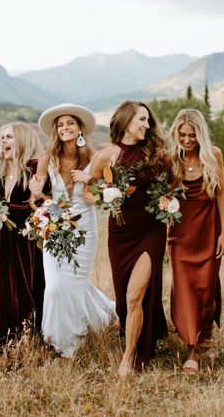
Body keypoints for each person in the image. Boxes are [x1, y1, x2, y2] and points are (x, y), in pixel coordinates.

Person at [88, 100, 169, 377]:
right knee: (124, 300)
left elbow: (174, 183)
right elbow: (87, 188)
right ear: (125, 122)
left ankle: (129, 358)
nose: (147, 125)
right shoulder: (107, 155)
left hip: (151, 231)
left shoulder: (156, 153)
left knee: (135, 296)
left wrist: (168, 201)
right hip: (120, 233)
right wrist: (106, 199)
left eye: (148, 120)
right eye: (141, 120)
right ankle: (142, 334)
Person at [30, 104, 116, 357]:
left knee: (76, 283)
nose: (65, 128)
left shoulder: (95, 158)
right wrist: (38, 196)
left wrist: (89, 181)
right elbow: (37, 197)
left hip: (85, 227)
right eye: (60, 125)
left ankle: (75, 339)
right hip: (55, 224)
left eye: (70, 123)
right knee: (56, 285)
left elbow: (108, 196)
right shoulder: (47, 158)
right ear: (56, 131)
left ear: (79, 128)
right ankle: (60, 339)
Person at [167, 109, 224, 374]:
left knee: (204, 286)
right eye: (182, 134)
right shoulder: (170, 159)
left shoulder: (213, 155)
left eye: (192, 135)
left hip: (208, 231)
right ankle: (192, 344)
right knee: (184, 288)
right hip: (180, 235)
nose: (187, 139)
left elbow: (222, 195)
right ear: (176, 134)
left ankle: (200, 339)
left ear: (200, 134)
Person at [0, 122, 46, 343]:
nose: (3, 141)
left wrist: (11, 209)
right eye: (2, 137)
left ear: (22, 139)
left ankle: (27, 334)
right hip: (1, 239)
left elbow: (43, 204)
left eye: (9, 137)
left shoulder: (35, 167)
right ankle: (1, 335)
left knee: (24, 286)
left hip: (25, 240)